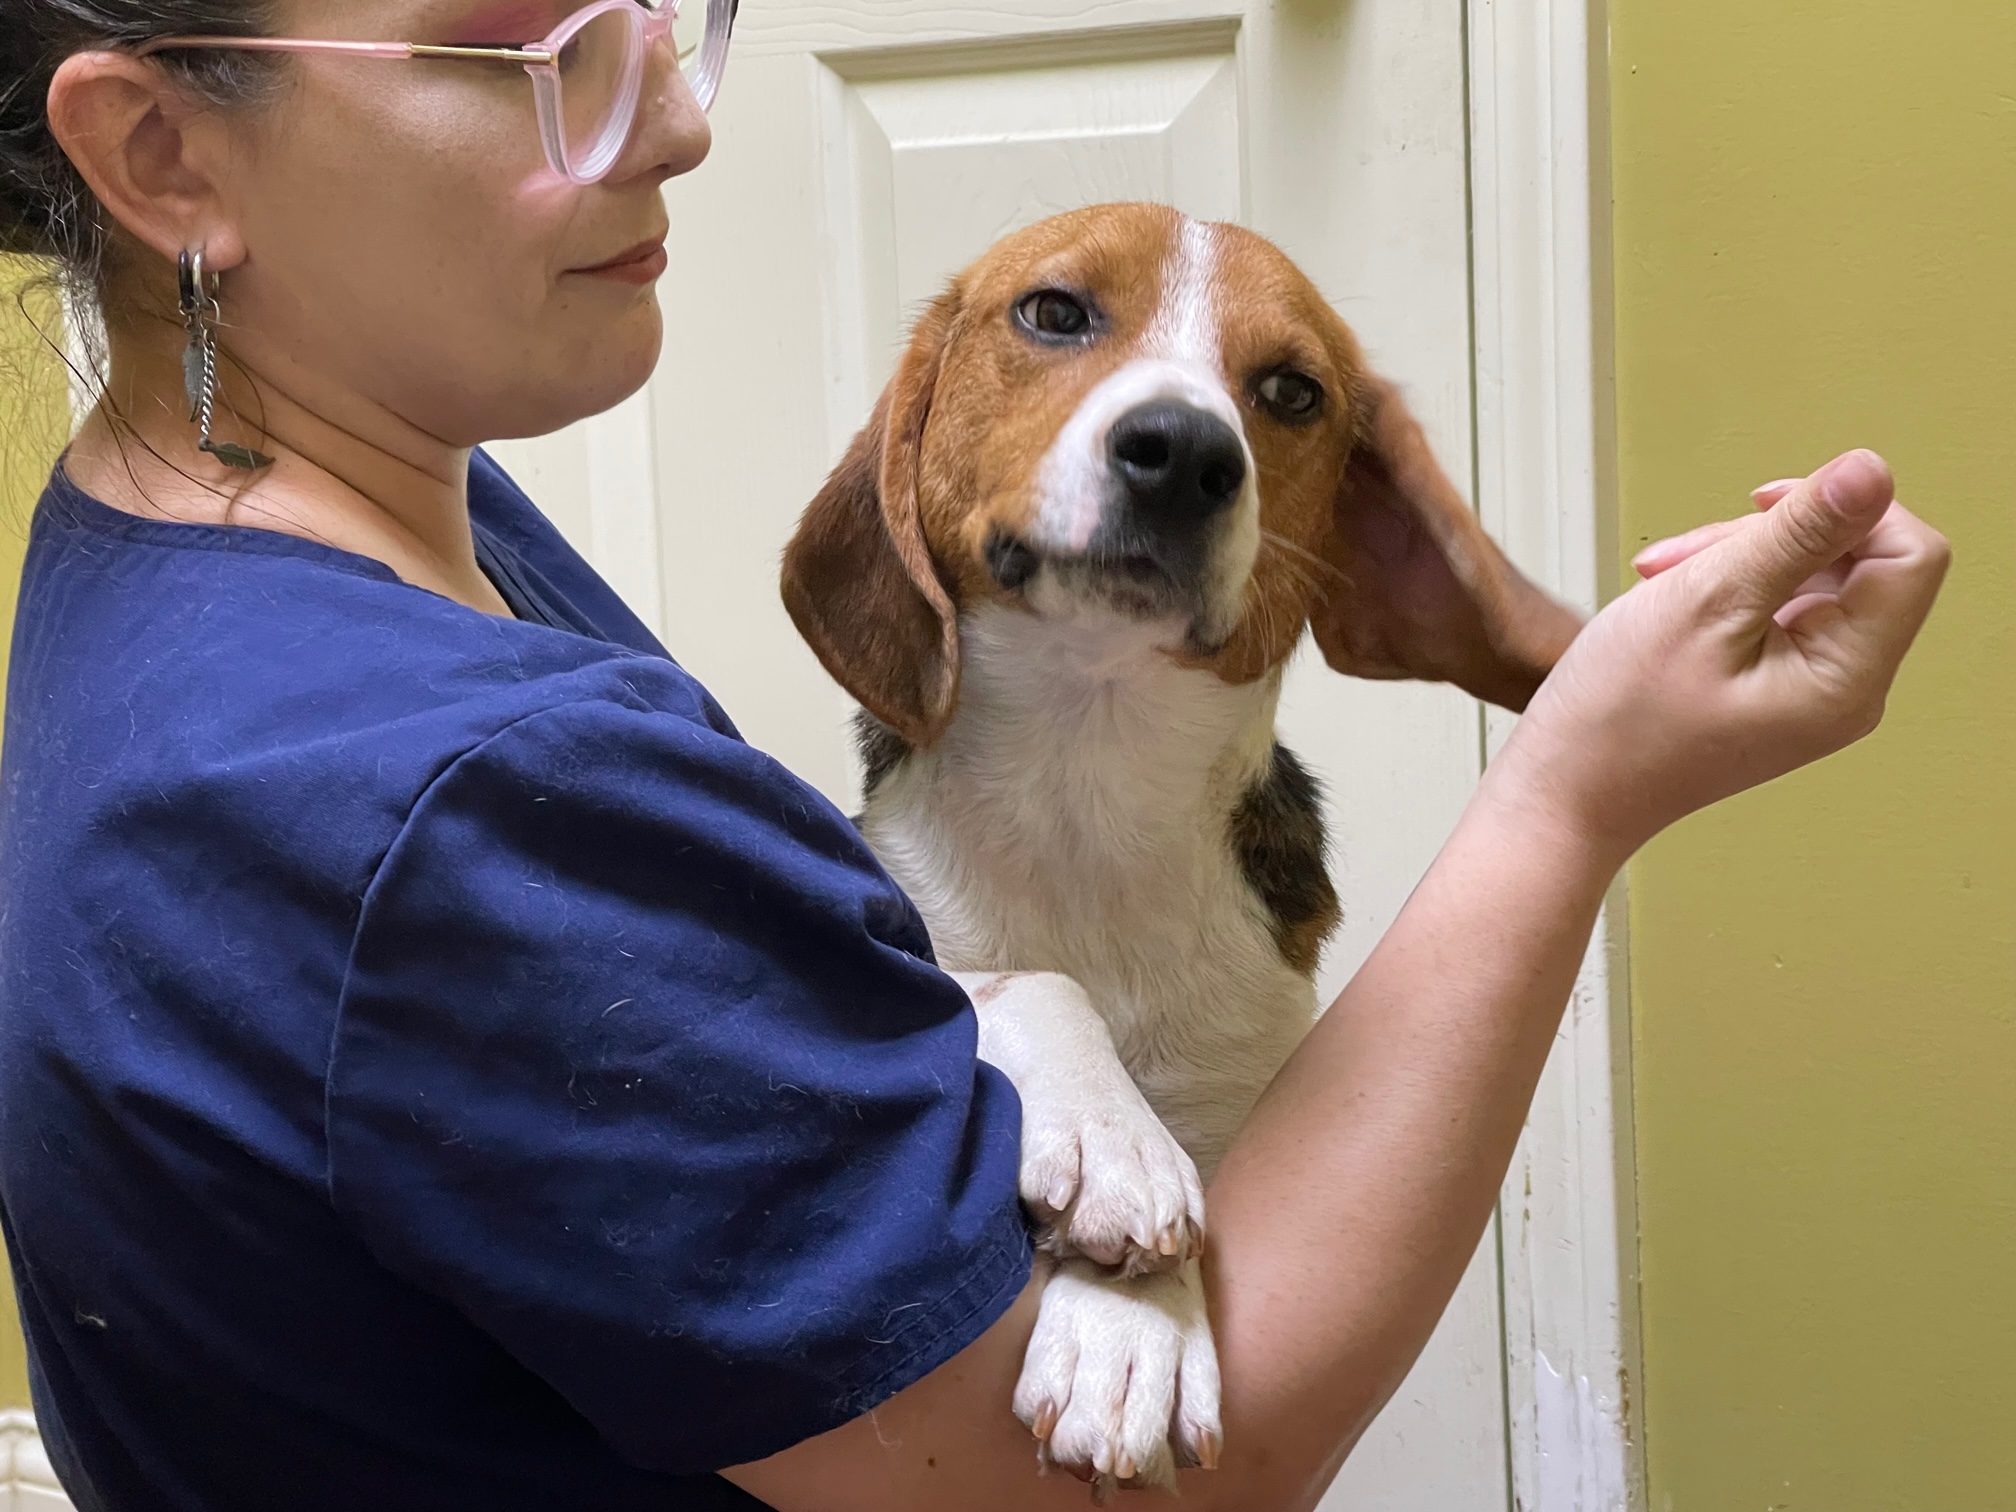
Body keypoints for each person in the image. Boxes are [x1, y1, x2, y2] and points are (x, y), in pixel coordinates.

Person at [0, 3, 1949, 1510]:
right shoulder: (439, 801)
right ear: (163, 147)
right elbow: (1144, 1488)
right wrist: (1575, 795)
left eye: (671, 13)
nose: (679, 111)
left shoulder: (272, 537)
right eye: (543, 50)